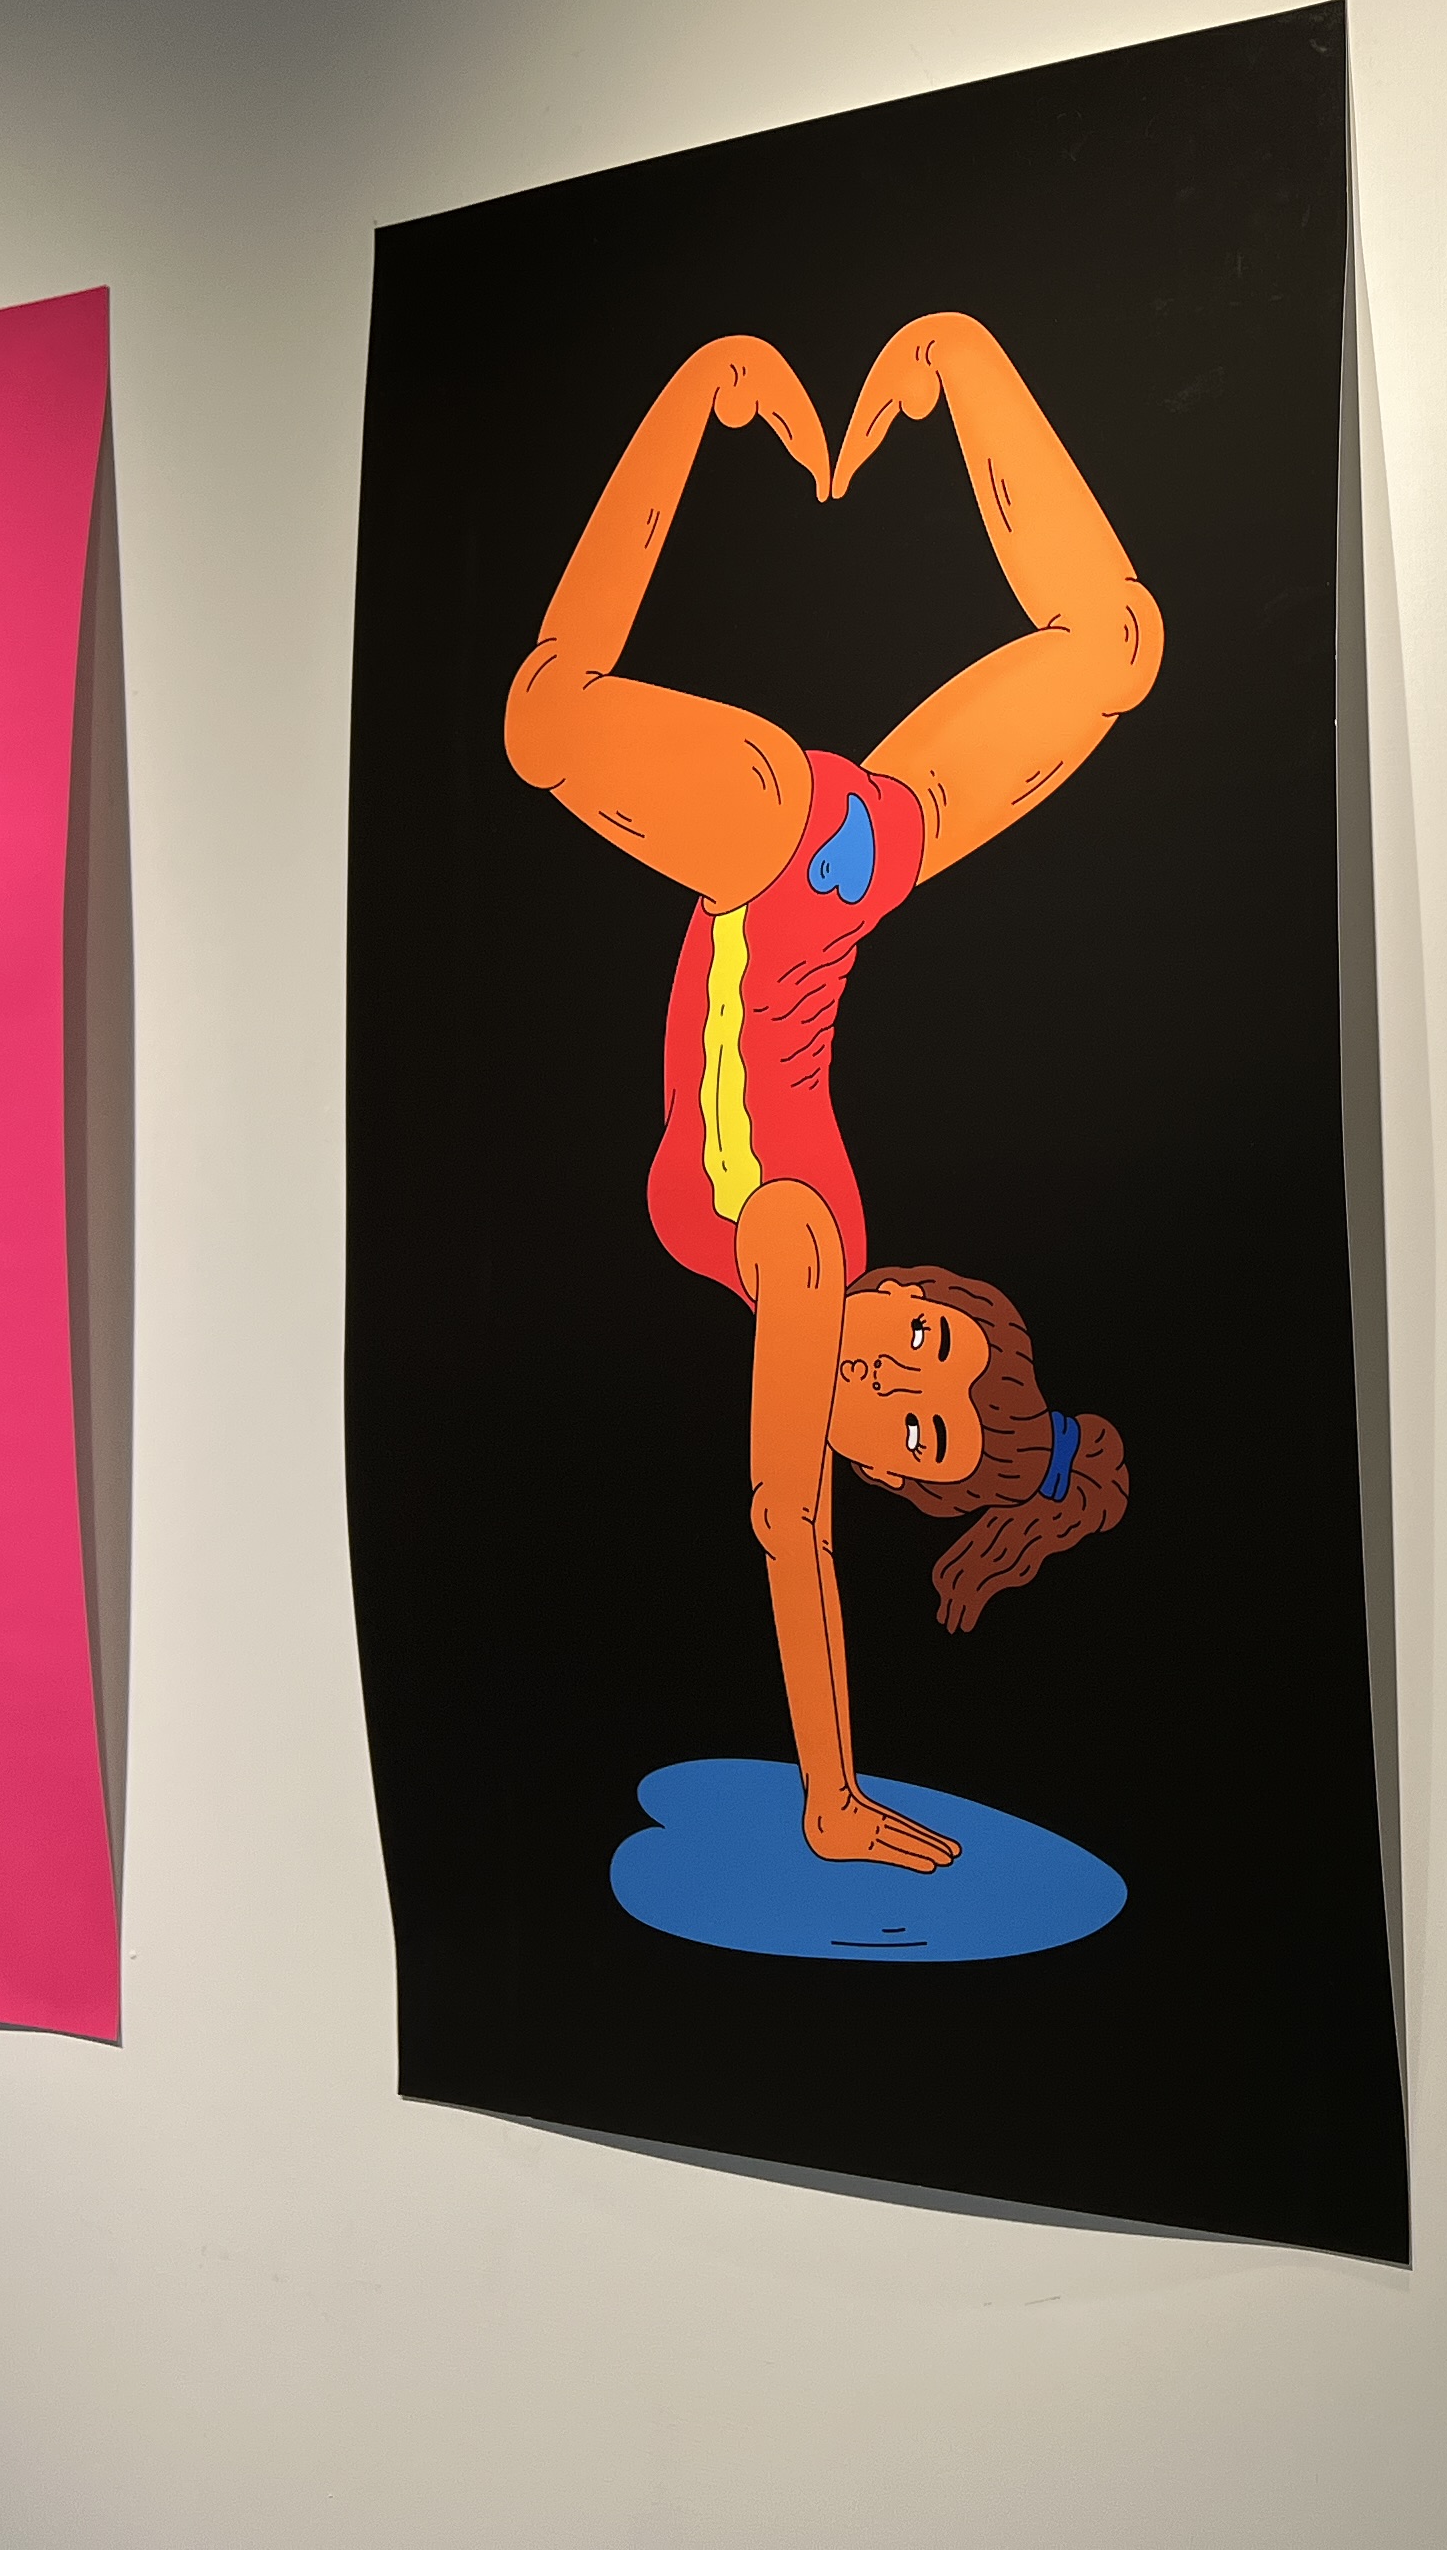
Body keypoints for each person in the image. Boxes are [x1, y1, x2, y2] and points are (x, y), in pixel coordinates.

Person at [506, 314, 1142, 1873]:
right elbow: (783, 1527)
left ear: (880, 1464)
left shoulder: (792, 1277)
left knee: (1115, 648)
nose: (891, 1366)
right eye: (933, 1341)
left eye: (912, 1424)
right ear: (922, 1288)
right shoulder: (800, 1250)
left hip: (845, 872)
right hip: (782, 845)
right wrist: (830, 1798)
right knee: (544, 720)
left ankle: (933, 362)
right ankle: (751, 384)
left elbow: (803, 1499)